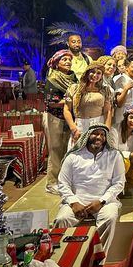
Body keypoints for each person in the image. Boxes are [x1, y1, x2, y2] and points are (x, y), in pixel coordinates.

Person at [55, 124, 125, 252]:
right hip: (77, 201)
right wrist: (73, 202)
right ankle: (61, 256)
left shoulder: (114, 155)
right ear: (87, 136)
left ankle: (97, 260)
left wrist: (102, 201)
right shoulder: (73, 156)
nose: (99, 137)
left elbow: (119, 183)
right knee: (62, 219)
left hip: (104, 202)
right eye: (95, 133)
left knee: (110, 218)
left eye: (102, 135)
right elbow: (63, 183)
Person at [43, 50, 77, 194]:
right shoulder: (53, 78)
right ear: (57, 63)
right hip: (55, 117)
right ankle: (52, 182)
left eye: (69, 59)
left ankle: (65, 181)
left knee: (68, 149)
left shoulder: (73, 77)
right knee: (56, 149)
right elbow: (51, 102)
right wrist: (70, 100)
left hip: (70, 117)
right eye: (64, 60)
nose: (68, 62)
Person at [63, 62, 113, 144]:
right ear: (87, 73)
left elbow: (107, 111)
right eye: (92, 72)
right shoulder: (74, 88)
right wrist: (73, 128)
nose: (95, 75)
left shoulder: (105, 90)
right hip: (80, 125)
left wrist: (106, 130)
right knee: (78, 153)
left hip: (98, 125)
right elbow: (67, 109)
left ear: (101, 76)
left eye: (98, 73)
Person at [114, 56, 133, 125]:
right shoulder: (121, 80)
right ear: (126, 67)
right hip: (121, 119)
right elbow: (119, 103)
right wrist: (126, 89)